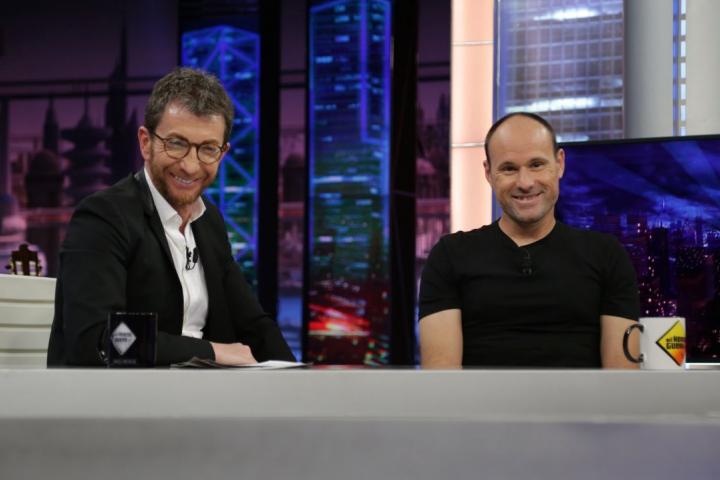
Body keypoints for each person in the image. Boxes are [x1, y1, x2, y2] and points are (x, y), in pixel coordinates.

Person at [48, 67, 295, 366]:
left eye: (208, 149)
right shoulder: (103, 217)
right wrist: (213, 352)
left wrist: (297, 379)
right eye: (176, 144)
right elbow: (100, 338)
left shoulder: (209, 221)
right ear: (145, 142)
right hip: (118, 394)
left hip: (201, 392)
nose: (190, 166)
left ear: (222, 153)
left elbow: (254, 325)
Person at [418, 112, 640, 369]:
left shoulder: (607, 256)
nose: (525, 183)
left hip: (581, 398)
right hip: (479, 398)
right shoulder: (449, 256)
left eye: (536, 164)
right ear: (488, 173)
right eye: (509, 168)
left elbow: (622, 380)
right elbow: (442, 379)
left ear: (560, 163)